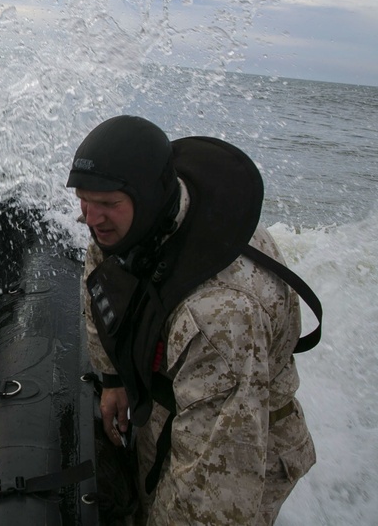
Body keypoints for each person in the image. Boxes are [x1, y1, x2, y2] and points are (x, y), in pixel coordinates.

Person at [68, 115, 316, 525]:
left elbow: (215, 493)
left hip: (243, 440)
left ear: (149, 197)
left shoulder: (219, 317)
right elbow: (101, 273)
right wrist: (112, 377)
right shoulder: (139, 220)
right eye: (84, 200)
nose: (91, 219)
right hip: (174, 402)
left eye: (108, 205)